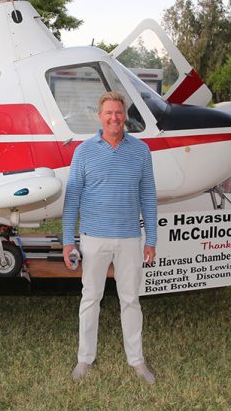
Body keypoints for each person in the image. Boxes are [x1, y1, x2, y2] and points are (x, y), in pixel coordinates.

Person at [62, 91, 158, 383]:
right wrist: (69, 240)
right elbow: (72, 198)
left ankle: (137, 361)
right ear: (99, 116)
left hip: (129, 238)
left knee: (131, 300)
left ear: (124, 115)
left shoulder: (141, 151)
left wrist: (151, 239)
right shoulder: (83, 151)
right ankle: (84, 360)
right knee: (91, 298)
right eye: (108, 113)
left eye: (118, 112)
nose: (114, 118)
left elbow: (148, 196)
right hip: (93, 239)